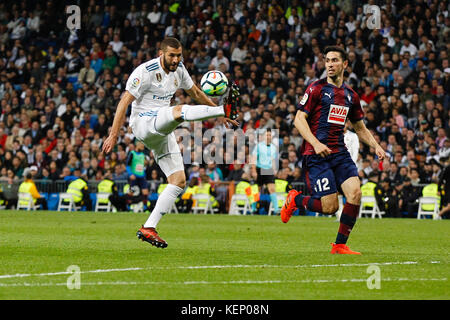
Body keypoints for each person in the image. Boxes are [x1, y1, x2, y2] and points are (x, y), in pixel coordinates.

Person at [102, 37, 238, 248]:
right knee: (178, 111)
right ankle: (223, 108)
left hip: (162, 131)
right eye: (172, 56)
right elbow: (123, 102)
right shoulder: (145, 72)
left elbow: (195, 92)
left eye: (178, 55)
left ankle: (149, 227)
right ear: (161, 53)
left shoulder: (180, 70)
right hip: (144, 123)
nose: (176, 60)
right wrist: (113, 134)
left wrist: (220, 116)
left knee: (178, 181)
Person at [280, 46, 386, 255]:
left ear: (345, 64)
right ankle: (295, 199)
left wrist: (376, 145)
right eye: (327, 60)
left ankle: (339, 245)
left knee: (355, 193)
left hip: (339, 153)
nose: (329, 64)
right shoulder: (316, 89)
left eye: (335, 60)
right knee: (330, 207)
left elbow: (359, 127)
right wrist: (316, 143)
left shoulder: (350, 96)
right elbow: (299, 119)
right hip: (316, 154)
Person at [251, 129, 280, 215]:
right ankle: (253, 209)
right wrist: (254, 170)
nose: (268, 137)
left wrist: (275, 169)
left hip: (269, 169)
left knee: (272, 189)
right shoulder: (258, 146)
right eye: (267, 135)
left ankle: (276, 209)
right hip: (259, 168)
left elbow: (273, 160)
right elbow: (254, 158)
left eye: (269, 135)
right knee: (257, 190)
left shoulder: (273, 148)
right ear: (264, 136)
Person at [126, 141, 150, 210]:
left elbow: (142, 165)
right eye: (142, 145)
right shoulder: (132, 153)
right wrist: (130, 174)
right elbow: (127, 165)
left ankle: (145, 208)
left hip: (141, 176)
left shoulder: (143, 155)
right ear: (137, 145)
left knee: (145, 192)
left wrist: (144, 172)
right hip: (134, 176)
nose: (143, 146)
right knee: (131, 192)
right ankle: (128, 206)